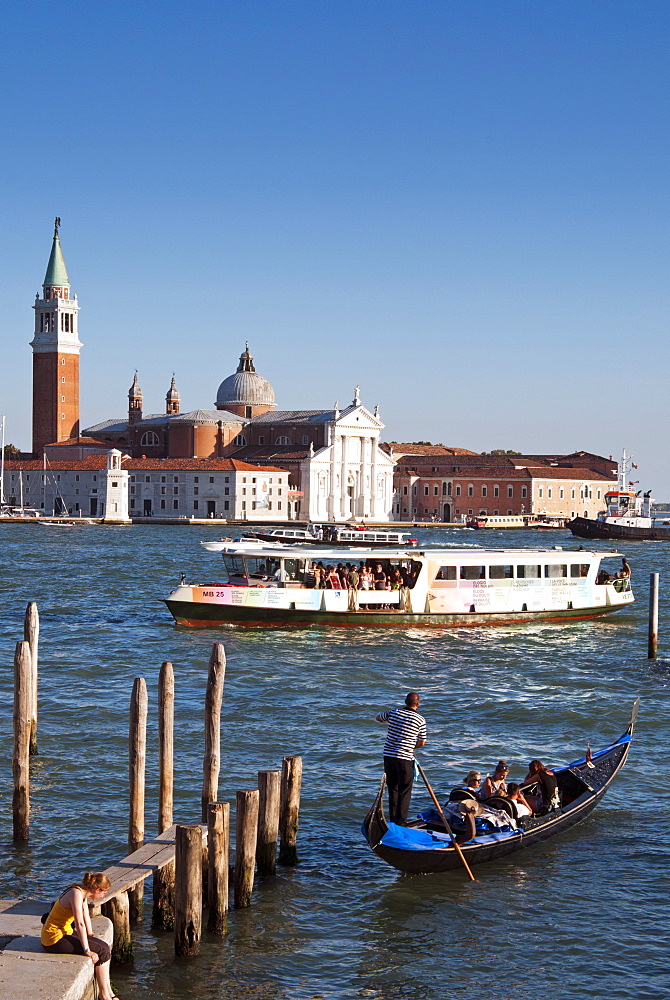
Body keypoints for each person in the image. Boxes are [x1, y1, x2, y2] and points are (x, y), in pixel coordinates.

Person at [41, 872, 117, 1000]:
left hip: (64, 933)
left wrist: (91, 935)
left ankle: (109, 993)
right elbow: (79, 923)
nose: (103, 895)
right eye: (103, 892)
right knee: (101, 951)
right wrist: (87, 950)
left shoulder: (82, 893)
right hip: (53, 939)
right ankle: (104, 996)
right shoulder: (75, 894)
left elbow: (86, 916)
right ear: (97, 889)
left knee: (104, 947)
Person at [376, 692, 427, 825]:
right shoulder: (420, 720)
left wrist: (390, 721)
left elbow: (378, 718)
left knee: (393, 788)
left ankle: (393, 820)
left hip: (389, 756)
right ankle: (401, 822)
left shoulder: (394, 713)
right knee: (405, 791)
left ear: (405, 702)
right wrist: (410, 745)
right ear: (417, 704)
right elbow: (421, 743)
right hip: (405, 758)